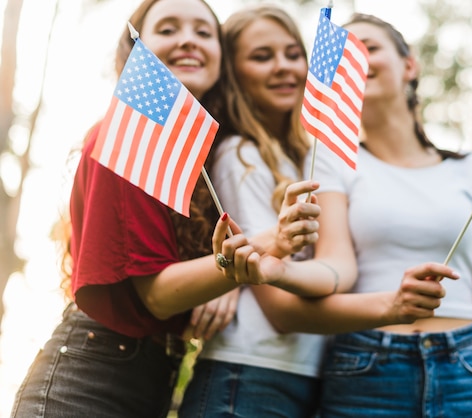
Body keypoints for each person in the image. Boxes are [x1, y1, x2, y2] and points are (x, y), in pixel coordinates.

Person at [10, 1, 321, 417]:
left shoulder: (200, 155)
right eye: (168, 29)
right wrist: (263, 247)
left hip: (152, 377)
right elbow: (157, 295)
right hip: (88, 382)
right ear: (135, 50)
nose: (188, 40)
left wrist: (225, 278)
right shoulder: (127, 137)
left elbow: (196, 278)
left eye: (203, 32)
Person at [178, 5, 460, 418]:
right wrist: (389, 307)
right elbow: (274, 299)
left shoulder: (308, 158)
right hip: (249, 372)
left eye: (294, 54)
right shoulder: (242, 155)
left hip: (304, 374)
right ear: (234, 73)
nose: (284, 68)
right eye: (261, 56)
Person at [251, 13, 472, 418]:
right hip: (366, 367)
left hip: (469, 371)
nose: (354, 61)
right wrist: (279, 272)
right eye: (342, 56)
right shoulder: (331, 160)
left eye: (368, 47)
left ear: (409, 65)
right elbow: (336, 267)